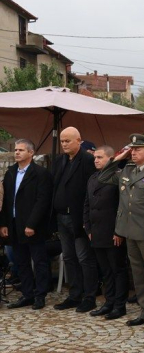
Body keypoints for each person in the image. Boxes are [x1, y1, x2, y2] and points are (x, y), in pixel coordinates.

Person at [98, 134, 144, 328]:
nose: (134, 152)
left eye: (138, 149)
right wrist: (119, 158)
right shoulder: (128, 170)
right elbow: (103, 176)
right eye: (132, 149)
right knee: (138, 274)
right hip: (129, 230)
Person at [52, 127, 100, 313]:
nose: (64, 144)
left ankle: (89, 297)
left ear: (78, 140)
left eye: (68, 141)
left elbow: (91, 190)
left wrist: (86, 219)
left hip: (79, 217)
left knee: (84, 258)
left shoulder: (88, 160)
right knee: (70, 257)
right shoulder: (59, 161)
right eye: (62, 141)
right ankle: (74, 294)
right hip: (61, 216)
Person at [0, 139, 53, 310]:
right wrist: (4, 223)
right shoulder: (10, 172)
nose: (17, 153)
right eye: (15, 150)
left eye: (21, 150)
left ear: (31, 153)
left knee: (39, 261)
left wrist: (32, 224)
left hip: (32, 225)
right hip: (14, 223)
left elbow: (42, 201)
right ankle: (27, 294)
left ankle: (40, 295)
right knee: (20, 261)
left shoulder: (40, 173)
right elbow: (7, 201)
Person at [83, 146, 129, 320]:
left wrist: (119, 231)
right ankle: (108, 302)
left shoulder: (118, 176)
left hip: (113, 232)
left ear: (111, 159)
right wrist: (88, 228)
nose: (96, 160)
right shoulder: (93, 178)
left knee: (117, 269)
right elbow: (87, 204)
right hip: (96, 231)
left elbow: (123, 206)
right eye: (95, 157)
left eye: (100, 157)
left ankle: (119, 305)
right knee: (105, 270)